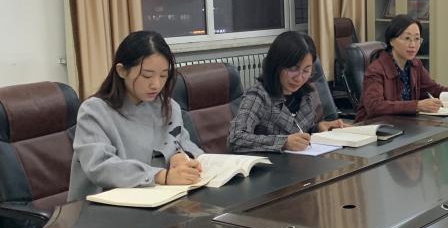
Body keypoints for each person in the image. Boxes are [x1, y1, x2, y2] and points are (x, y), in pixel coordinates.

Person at [69, 30, 203, 201]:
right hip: (106, 207)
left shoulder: (168, 106)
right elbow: (101, 166)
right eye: (147, 75)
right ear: (122, 71)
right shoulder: (94, 111)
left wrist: (183, 158)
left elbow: (185, 144)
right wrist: (161, 176)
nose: (156, 84)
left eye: (163, 75)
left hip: (162, 200)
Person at [228, 31, 345, 153]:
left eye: (306, 71)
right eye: (293, 69)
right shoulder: (258, 96)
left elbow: (300, 130)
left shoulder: (305, 95)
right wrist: (283, 143)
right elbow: (235, 139)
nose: (299, 78)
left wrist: (318, 128)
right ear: (276, 66)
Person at [354, 14, 448, 121]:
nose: (413, 45)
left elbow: (434, 89)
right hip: (374, 128)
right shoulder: (376, 70)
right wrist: (417, 106)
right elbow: (374, 106)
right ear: (392, 41)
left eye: (417, 39)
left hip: (404, 124)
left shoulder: (415, 65)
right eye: (407, 38)